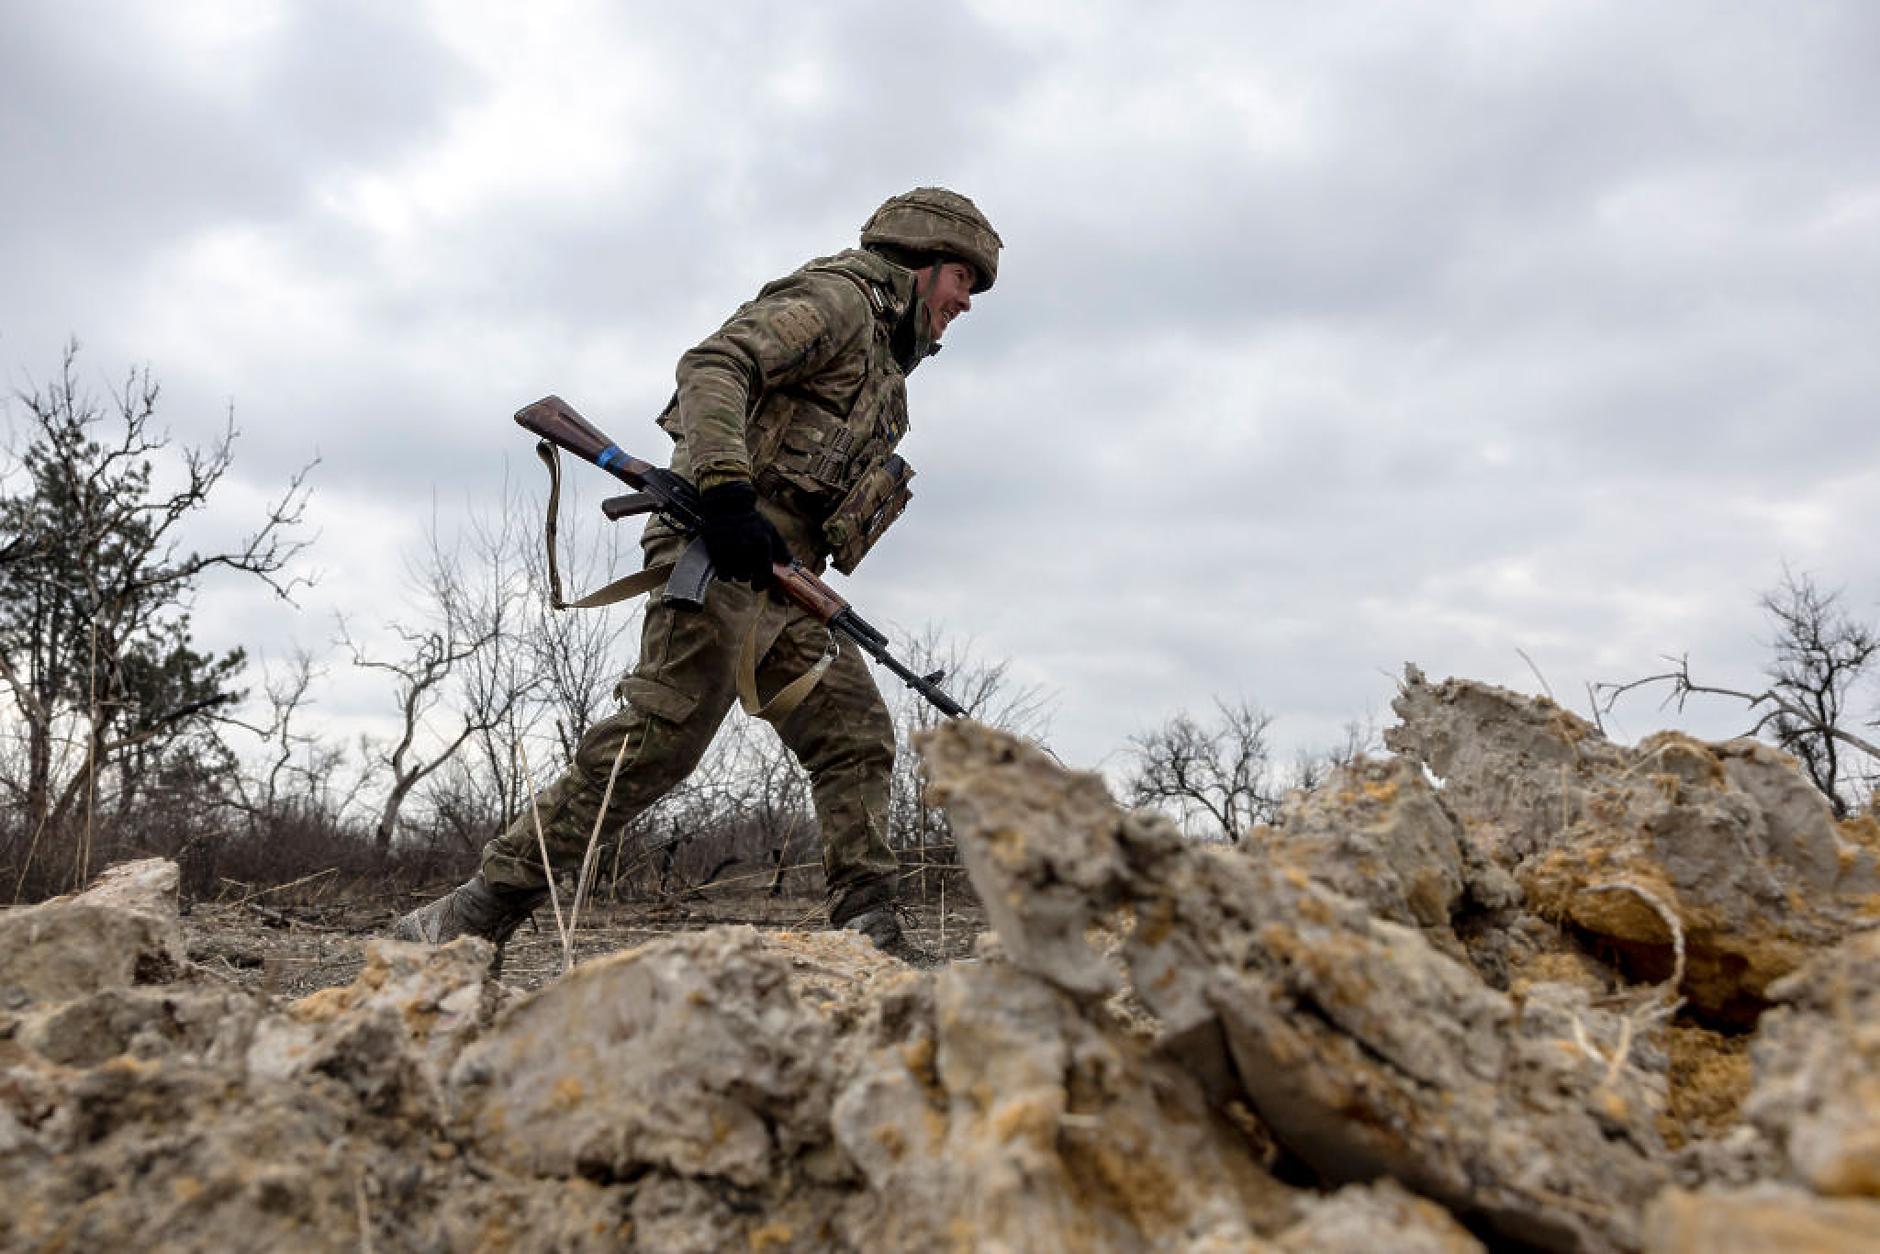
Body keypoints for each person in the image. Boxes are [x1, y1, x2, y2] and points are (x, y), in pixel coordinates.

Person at [392, 187, 1001, 965]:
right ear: (920, 262)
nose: (966, 301)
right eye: (962, 279)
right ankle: (470, 917)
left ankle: (870, 935)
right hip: (718, 550)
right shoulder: (839, 300)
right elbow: (716, 364)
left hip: (782, 576)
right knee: (658, 744)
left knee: (855, 736)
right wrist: (726, 491)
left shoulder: (888, 363)